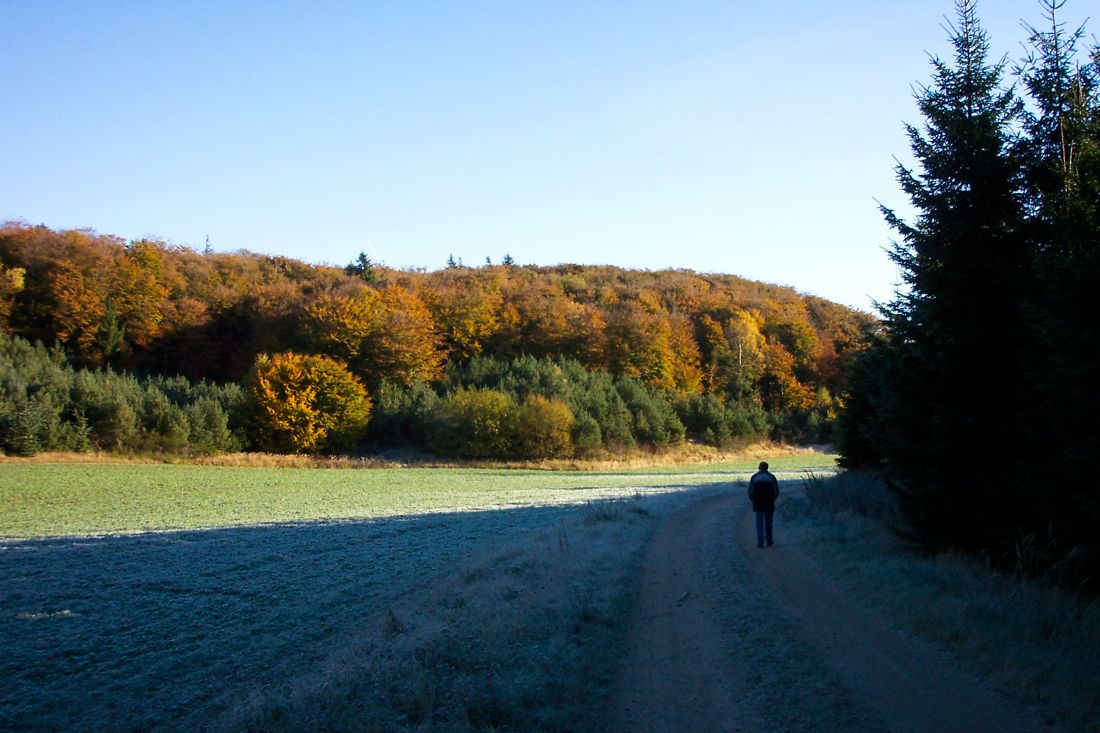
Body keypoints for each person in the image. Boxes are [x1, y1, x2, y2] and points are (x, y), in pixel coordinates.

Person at [748, 461, 779, 548]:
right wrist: (773, 499)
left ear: (759, 468)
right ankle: (769, 540)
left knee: (759, 522)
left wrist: (753, 500)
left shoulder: (754, 477)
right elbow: (776, 491)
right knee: (768, 522)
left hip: (758, 502)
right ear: (767, 468)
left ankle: (760, 541)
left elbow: (750, 490)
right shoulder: (771, 477)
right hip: (769, 502)